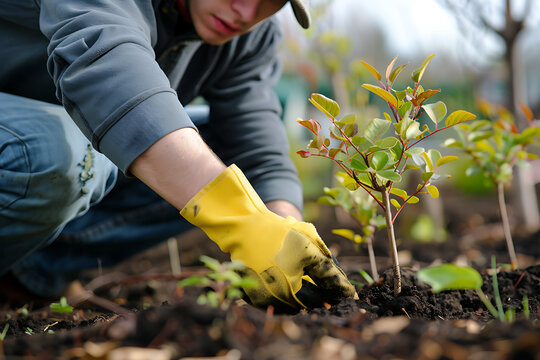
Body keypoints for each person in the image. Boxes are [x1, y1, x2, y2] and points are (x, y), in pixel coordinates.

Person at [0, 0, 356, 311]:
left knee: (210, 151)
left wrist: (284, 229)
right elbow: (107, 65)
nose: (247, 11)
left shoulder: (248, 38)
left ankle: (30, 272)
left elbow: (256, 142)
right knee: (49, 155)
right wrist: (240, 221)